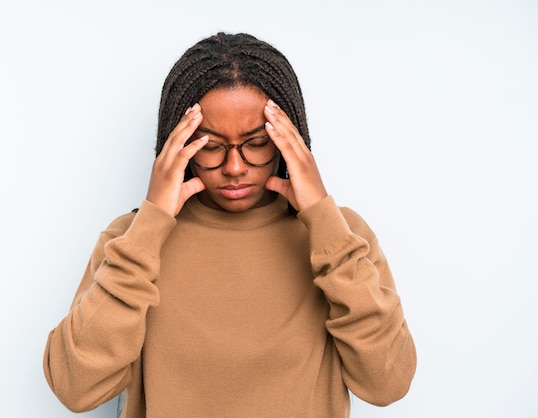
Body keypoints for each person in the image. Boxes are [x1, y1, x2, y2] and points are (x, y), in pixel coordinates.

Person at [43, 32, 416, 417]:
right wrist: (151, 224)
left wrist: (322, 218)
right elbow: (75, 388)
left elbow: (387, 382)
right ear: (178, 144)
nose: (234, 168)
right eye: (210, 146)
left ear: (289, 141)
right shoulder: (132, 238)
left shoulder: (339, 234)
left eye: (256, 143)